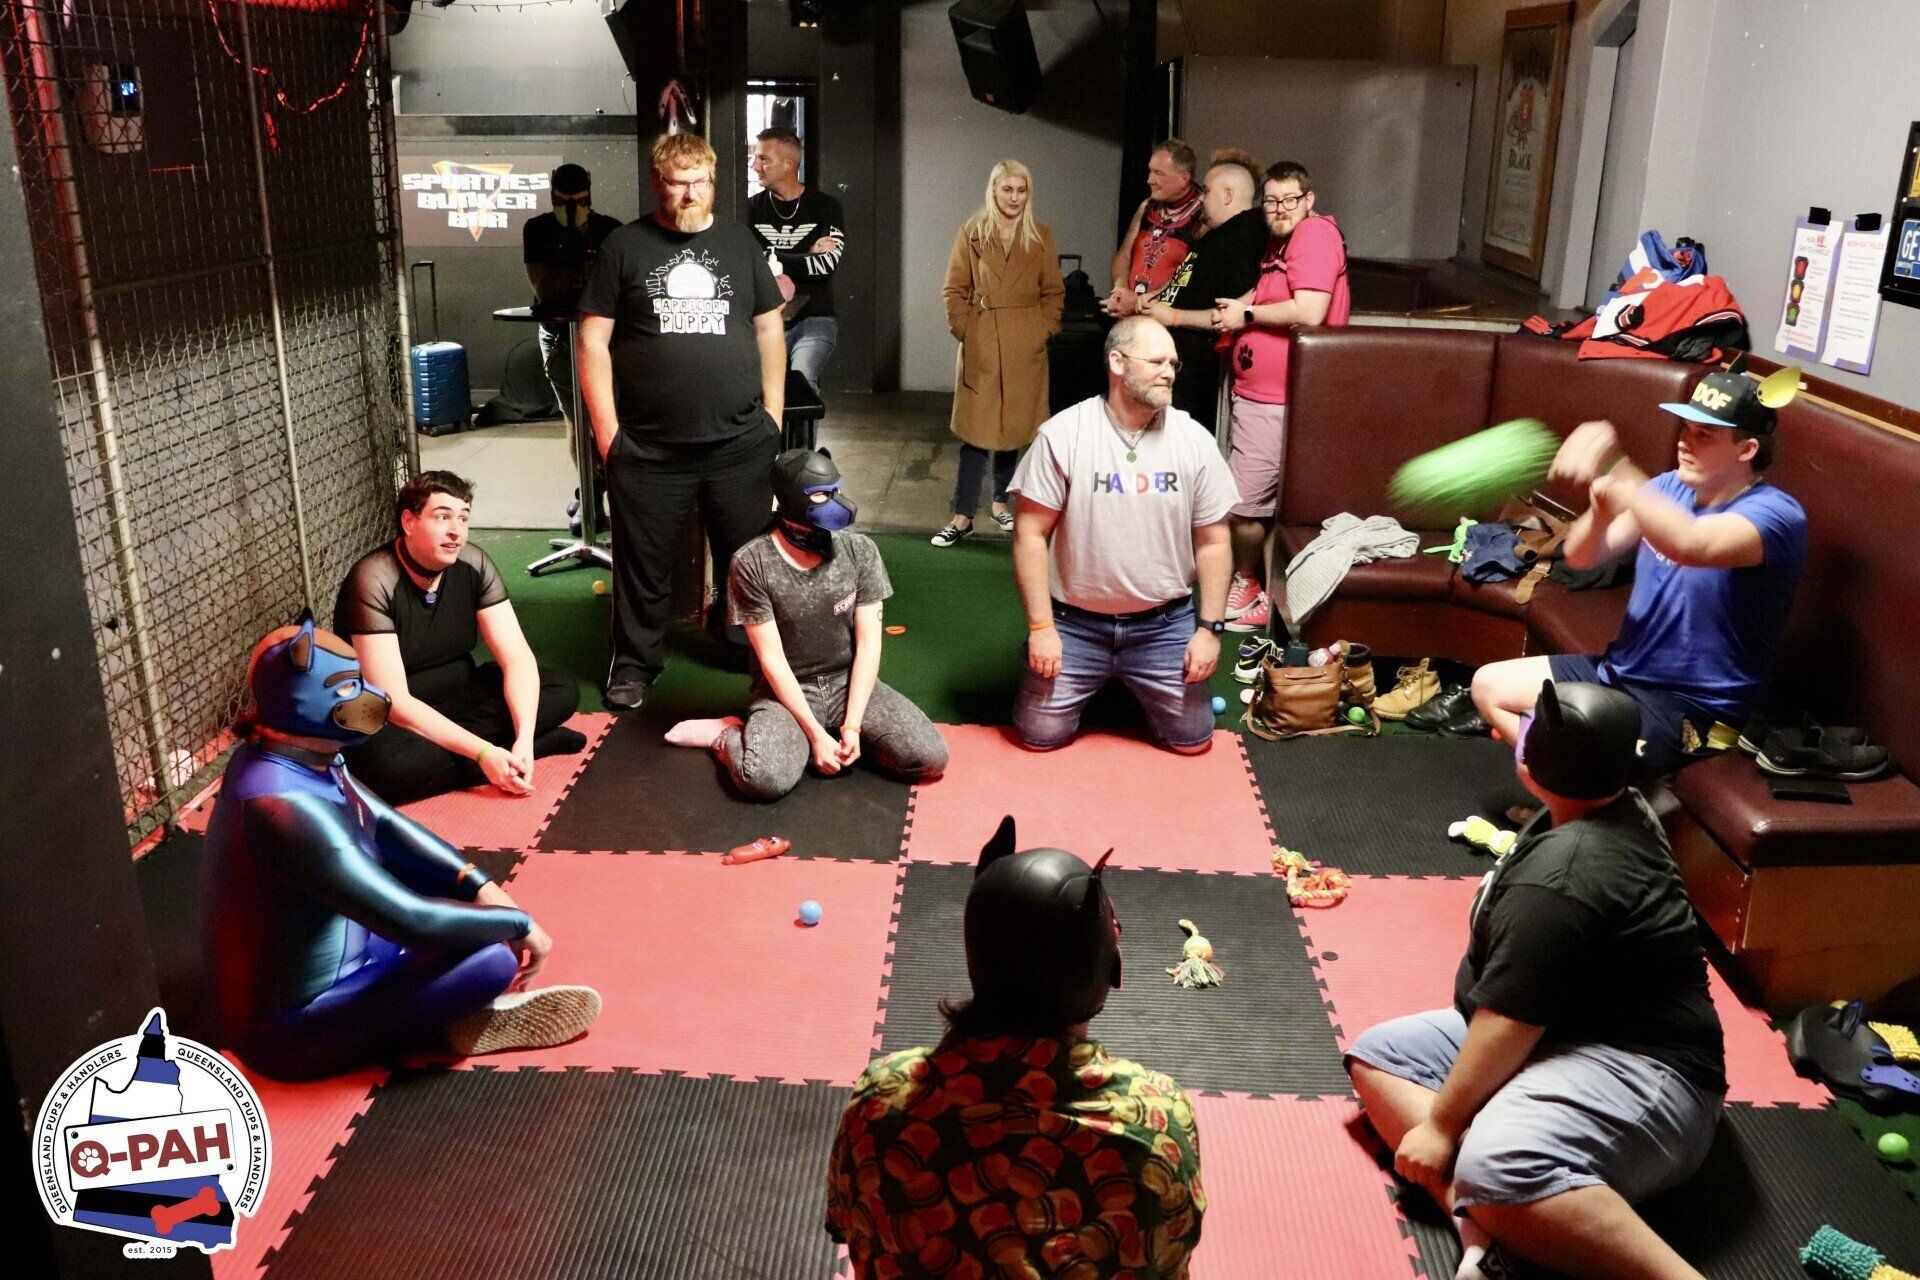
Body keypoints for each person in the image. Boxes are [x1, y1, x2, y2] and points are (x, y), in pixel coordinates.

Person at [1347, 681, 1726, 1280]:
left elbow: (1511, 1019)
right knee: (1380, 1058)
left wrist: (1442, 1127)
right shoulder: (1604, 803)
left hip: (1649, 1072)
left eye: (1524, 733)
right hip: (1559, 1031)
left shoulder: (1566, 874)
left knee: (1493, 1165)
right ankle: (1485, 1233)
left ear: (1537, 764)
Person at [204, 619, 600, 1081]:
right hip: (292, 1035)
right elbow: (411, 921)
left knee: (459, 903)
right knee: (493, 956)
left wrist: (478, 884)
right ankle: (449, 1020)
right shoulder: (282, 807)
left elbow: (389, 827)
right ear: (303, 701)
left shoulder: (290, 753)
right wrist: (521, 923)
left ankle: (446, 1013)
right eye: (349, 688)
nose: (373, 696)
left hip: (349, 944)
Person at [826, 816, 1205, 1278]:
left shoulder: (882, 1097)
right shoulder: (1158, 1118)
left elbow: (846, 1224)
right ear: (1106, 967)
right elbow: (1171, 1260)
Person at [1470, 367, 1808, 775]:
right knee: (1488, 687)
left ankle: (1572, 788)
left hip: (1693, 707)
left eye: (1704, 435)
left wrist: (1619, 469)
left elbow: (1691, 543)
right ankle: (1564, 779)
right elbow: (1580, 558)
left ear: (1747, 449)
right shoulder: (1668, 488)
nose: (1684, 441)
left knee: (1557, 753)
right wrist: (1599, 513)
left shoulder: (1775, 515)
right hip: (1621, 672)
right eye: (1685, 428)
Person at [577, 131, 787, 711]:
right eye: (678, 183)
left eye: (700, 182)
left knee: (747, 558)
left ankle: (746, 646)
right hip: (648, 447)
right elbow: (592, 341)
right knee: (642, 566)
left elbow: (769, 326)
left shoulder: (739, 242)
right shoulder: (624, 246)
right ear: (657, 183)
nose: (690, 194)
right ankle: (635, 663)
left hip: (739, 441)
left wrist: (773, 413)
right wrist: (607, 433)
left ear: (714, 181)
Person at [1008, 315, 1237, 755]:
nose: (1169, 372)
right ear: (1117, 362)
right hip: (1075, 622)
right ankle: (1098, 678)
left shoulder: (1194, 440)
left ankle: (1133, 681)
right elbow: (1030, 535)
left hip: (1163, 624)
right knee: (1039, 736)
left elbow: (1215, 542)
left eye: (1173, 363)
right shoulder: (1063, 435)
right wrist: (1041, 628)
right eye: (1156, 362)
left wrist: (1209, 629)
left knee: (1192, 740)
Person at [663, 449, 948, 801]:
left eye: (835, 490)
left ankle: (842, 737)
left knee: (930, 758)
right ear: (792, 501)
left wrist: (853, 726)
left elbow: (869, 645)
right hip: (786, 689)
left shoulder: (860, 550)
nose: (837, 502)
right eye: (821, 495)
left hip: (847, 682)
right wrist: (814, 734)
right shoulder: (751, 563)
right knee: (762, 780)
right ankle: (728, 734)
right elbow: (772, 660)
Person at [333, 471, 584, 806]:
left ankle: (509, 750)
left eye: (463, 518)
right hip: (394, 717)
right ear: (409, 522)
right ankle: (523, 749)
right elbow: (395, 701)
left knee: (561, 689)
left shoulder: (473, 563)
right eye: (442, 517)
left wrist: (524, 737)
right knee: (388, 773)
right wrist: (482, 752)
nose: (456, 531)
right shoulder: (373, 578)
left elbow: (518, 660)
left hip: (461, 694)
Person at [1207, 160, 1351, 634]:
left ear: (1309, 200)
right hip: (1261, 397)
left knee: (1242, 506)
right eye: (1272, 200)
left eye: (1290, 199)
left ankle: (1250, 586)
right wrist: (1242, 305)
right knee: (1261, 507)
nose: (1280, 208)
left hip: (1279, 398)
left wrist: (1246, 315)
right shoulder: (1283, 240)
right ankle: (1263, 596)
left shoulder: (1313, 234)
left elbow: (1310, 310)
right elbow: (1275, 290)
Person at [934, 159, 1066, 547]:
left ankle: (999, 503)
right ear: (993, 190)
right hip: (983, 340)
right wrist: (966, 330)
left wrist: (1042, 331)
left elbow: (1053, 292)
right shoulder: (972, 232)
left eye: (1021, 190)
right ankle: (962, 517)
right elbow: (954, 288)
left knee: (1014, 429)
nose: (1014, 198)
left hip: (1025, 342)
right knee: (976, 434)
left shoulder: (1040, 236)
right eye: (1007, 189)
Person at [1137, 148, 1269, 433]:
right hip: (1176, 368)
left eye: (1207, 191)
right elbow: (1189, 280)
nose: (1200, 198)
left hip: (1196, 378)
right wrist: (1155, 296)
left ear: (1228, 195)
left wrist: (1172, 317)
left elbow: (1227, 313)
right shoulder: (1218, 235)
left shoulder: (1245, 237)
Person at [747, 126, 846, 398]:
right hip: (765, 320)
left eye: (764, 159)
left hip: (813, 319)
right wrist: (807, 254)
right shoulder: (750, 209)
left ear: (789, 164)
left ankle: (802, 430)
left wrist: (770, 256)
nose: (755, 166)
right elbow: (748, 264)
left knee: (802, 378)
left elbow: (825, 266)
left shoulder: (826, 207)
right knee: (757, 387)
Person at [523, 163, 623, 423]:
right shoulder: (538, 229)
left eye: (579, 202)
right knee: (574, 416)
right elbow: (547, 292)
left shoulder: (609, 230)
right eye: (562, 202)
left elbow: (614, 291)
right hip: (559, 335)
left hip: (602, 333)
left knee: (608, 413)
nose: (571, 210)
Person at [1103, 138, 1205, 317]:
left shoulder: (1202, 215)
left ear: (1184, 179)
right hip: (1131, 316)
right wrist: (1120, 289)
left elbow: (1190, 274)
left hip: (1165, 317)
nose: (1150, 180)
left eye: (1159, 173)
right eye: (1150, 171)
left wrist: (1141, 301)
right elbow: (1124, 254)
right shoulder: (1147, 206)